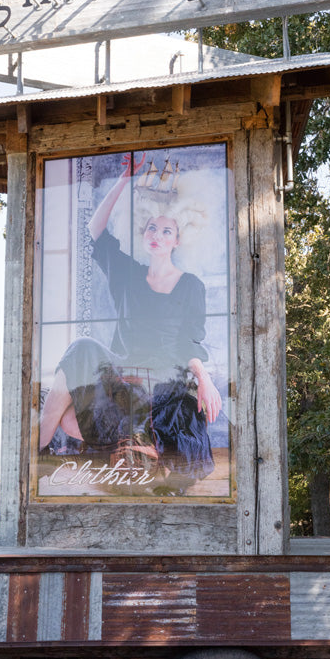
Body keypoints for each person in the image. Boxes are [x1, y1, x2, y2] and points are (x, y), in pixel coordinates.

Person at [39, 152, 222, 490]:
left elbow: (190, 342)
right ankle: (38, 456)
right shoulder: (127, 275)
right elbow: (94, 230)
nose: (157, 234)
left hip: (166, 383)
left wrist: (204, 378)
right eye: (152, 227)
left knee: (164, 422)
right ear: (143, 232)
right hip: (122, 378)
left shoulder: (191, 285)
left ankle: (141, 450)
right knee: (79, 356)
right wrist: (124, 180)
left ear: (178, 239)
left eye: (166, 230)